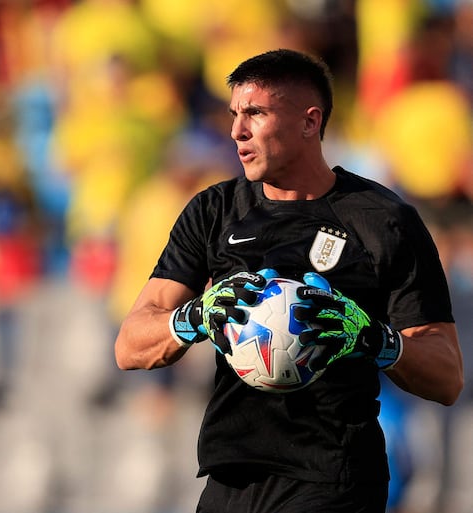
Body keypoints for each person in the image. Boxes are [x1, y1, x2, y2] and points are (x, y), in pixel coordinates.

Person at [114, 48, 464, 513]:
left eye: (255, 113)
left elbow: (448, 377)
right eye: (234, 114)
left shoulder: (385, 221)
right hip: (230, 478)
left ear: (309, 121)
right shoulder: (213, 210)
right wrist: (193, 317)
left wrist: (372, 338)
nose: (237, 131)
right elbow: (129, 346)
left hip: (335, 480)